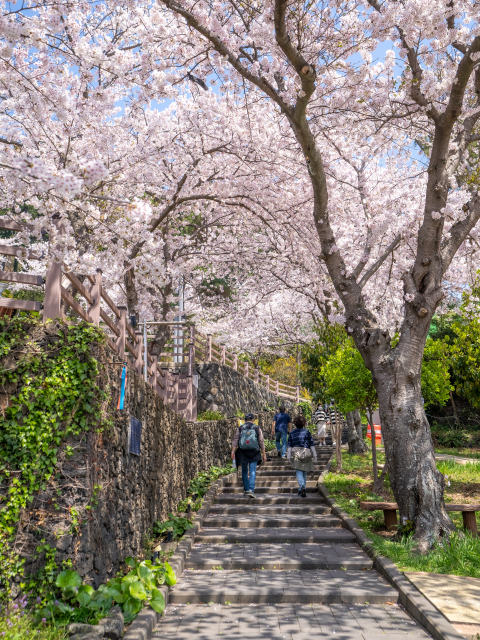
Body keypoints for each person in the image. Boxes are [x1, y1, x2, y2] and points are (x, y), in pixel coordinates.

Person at [231, 413, 267, 498]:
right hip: (254, 452)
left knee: (244, 470)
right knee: (252, 470)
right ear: (253, 419)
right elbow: (261, 441)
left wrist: (233, 452)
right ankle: (251, 489)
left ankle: (246, 489)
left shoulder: (240, 428)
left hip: (243, 452)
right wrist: (264, 454)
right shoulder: (257, 428)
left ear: (244, 420)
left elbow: (236, 440)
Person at [286, 415, 317, 497]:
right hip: (306, 452)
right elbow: (312, 444)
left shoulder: (292, 432)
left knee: (298, 470)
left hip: (295, 452)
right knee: (304, 471)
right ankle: (302, 489)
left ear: (295, 424)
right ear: (304, 424)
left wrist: (288, 456)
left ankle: (302, 486)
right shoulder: (307, 432)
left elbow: (289, 445)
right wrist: (315, 455)